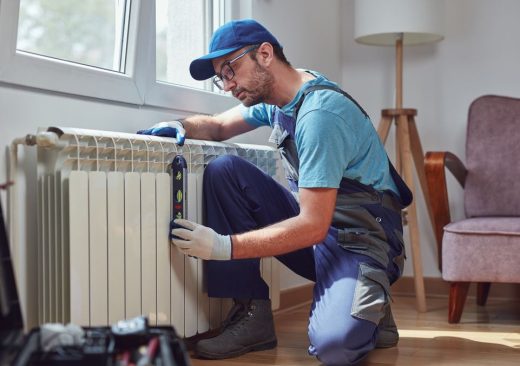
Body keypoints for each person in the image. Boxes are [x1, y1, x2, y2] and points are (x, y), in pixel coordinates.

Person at [138, 19, 412, 366]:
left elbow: (311, 225)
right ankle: (252, 316)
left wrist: (223, 247)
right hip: (321, 236)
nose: (227, 85)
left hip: (362, 243)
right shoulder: (281, 100)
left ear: (264, 54)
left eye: (230, 70)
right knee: (226, 171)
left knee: (334, 348)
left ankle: (372, 300)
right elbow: (220, 126)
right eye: (221, 77)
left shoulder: (320, 115)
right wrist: (181, 126)